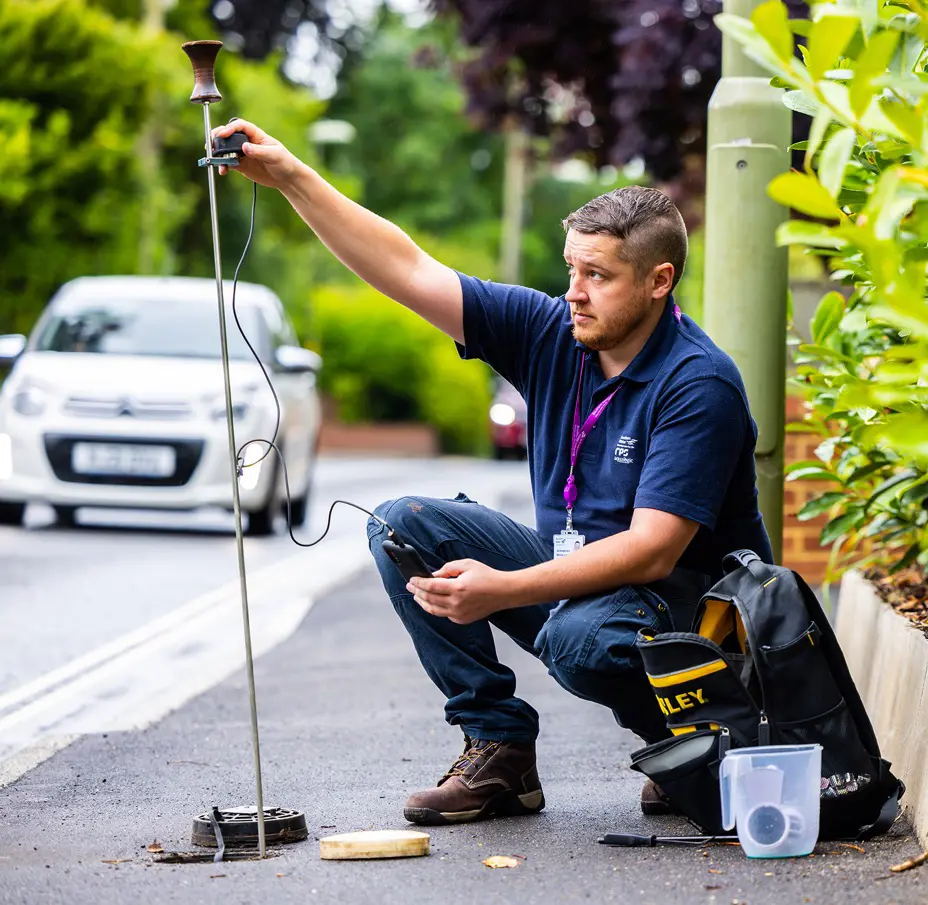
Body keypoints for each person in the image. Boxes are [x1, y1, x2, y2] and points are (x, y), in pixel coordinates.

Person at [212, 119, 773, 827]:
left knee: (580, 639)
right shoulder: (553, 333)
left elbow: (652, 550)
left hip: (690, 615)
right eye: (572, 269)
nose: (575, 291)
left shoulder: (699, 382)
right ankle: (501, 746)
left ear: (660, 280)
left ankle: (695, 738)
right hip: (591, 586)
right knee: (403, 526)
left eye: (598, 275)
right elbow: (408, 267)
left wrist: (501, 589)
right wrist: (293, 175)